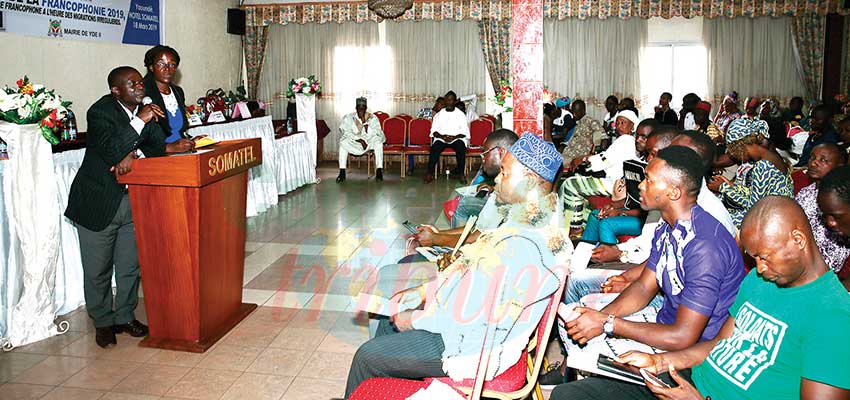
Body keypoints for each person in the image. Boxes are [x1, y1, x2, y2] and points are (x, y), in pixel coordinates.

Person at [344, 133, 569, 398]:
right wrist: (425, 291)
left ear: (530, 180)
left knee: (367, 356)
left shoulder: (522, 244)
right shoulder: (524, 221)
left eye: (505, 174)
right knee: (387, 322)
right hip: (469, 326)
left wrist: (416, 319)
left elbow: (471, 318)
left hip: (473, 346)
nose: (497, 178)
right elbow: (470, 269)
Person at [598, 196, 850, 400]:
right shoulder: (761, 281)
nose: (759, 269)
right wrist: (658, 361)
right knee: (575, 393)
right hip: (689, 381)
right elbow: (719, 343)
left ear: (798, 240)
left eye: (765, 257)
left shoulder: (835, 317)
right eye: (755, 259)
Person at [554, 147, 745, 396]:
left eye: (649, 180)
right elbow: (644, 287)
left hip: (691, 352)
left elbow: (683, 337)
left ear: (673, 192)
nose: (641, 186)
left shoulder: (705, 246)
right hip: (666, 324)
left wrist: (609, 324)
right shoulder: (669, 226)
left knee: (587, 352)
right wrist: (600, 317)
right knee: (575, 322)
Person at [64, 66, 194, 348]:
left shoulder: (146, 108)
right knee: (98, 269)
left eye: (139, 82)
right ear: (116, 90)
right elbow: (110, 150)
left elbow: (158, 147)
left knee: (129, 266)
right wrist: (138, 125)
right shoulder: (101, 112)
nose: (139, 87)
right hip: (98, 202)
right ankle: (102, 321)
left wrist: (133, 155)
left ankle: (124, 315)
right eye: (132, 83)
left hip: (132, 199)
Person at [579, 120, 662, 246]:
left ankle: (609, 260)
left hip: (647, 220)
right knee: (596, 215)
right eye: (637, 136)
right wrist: (612, 205)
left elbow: (649, 211)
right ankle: (585, 253)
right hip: (634, 212)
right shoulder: (636, 161)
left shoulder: (658, 171)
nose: (638, 140)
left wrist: (621, 212)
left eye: (644, 137)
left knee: (607, 223)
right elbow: (632, 198)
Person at [562, 110, 640, 235]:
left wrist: (583, 158)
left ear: (633, 126)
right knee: (579, 182)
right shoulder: (627, 140)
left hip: (615, 184)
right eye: (617, 123)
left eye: (623, 123)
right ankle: (578, 223)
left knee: (570, 184)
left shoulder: (626, 140)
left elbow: (604, 160)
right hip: (617, 183)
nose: (619, 126)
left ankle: (573, 225)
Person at [709, 118, 793, 228]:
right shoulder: (770, 156)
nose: (735, 156)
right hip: (770, 209)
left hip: (772, 217)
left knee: (719, 218)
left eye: (734, 152)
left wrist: (723, 188)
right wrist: (730, 185)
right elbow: (756, 193)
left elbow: (753, 206)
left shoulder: (763, 166)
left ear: (740, 147)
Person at [795, 143, 849, 275]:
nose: (813, 163)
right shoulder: (805, 192)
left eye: (823, 160)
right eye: (812, 158)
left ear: (840, 166)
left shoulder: (842, 203)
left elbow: (831, 262)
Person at [449, 129, 519, 227]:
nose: (483, 158)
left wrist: (436, 237)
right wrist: (493, 187)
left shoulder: (513, 177)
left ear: (500, 152)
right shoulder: (515, 169)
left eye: (485, 153)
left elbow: (478, 234)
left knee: (462, 204)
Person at [142, 45, 191, 144]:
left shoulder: (178, 92)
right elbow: (142, 135)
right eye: (161, 64)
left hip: (181, 153)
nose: (167, 69)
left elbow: (180, 131)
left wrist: (190, 141)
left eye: (172, 64)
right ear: (151, 67)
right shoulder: (142, 93)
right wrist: (168, 148)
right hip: (157, 155)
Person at [336, 97, 386, 183]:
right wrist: (359, 140)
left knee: (378, 142)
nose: (361, 111)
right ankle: (342, 172)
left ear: (366, 109)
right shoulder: (349, 117)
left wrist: (367, 128)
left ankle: (379, 171)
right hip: (355, 142)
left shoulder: (372, 118)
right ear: (356, 108)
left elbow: (378, 132)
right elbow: (346, 132)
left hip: (369, 142)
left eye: (363, 109)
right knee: (343, 143)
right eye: (359, 109)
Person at [425, 91, 469, 183]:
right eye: (447, 100)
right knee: (434, 148)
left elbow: (464, 132)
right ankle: (430, 173)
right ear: (445, 101)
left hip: (456, 138)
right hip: (442, 138)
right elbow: (434, 131)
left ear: (455, 101)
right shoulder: (439, 114)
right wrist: (443, 137)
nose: (449, 102)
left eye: (451, 100)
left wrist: (454, 137)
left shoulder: (461, 115)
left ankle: (461, 174)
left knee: (461, 147)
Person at [561, 99, 601, 167]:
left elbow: (600, 137)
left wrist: (592, 154)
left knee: (555, 165)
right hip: (568, 154)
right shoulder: (578, 123)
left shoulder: (591, 122)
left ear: (583, 111)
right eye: (573, 112)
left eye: (576, 112)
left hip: (577, 156)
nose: (574, 115)